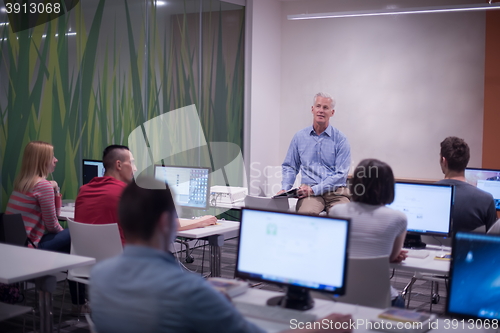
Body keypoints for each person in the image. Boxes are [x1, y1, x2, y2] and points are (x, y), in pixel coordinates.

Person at [90, 177, 353, 333]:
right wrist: (322, 327)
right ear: (164, 222)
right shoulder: (189, 291)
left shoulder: (99, 276)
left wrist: (210, 303)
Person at [75, 145, 216, 246]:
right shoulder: (126, 195)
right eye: (132, 163)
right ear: (119, 165)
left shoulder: (84, 190)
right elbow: (169, 225)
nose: (135, 168)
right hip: (125, 263)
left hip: (87, 264)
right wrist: (202, 221)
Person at [6, 141, 86, 313]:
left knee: (72, 247)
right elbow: (52, 225)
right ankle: (79, 303)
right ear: (41, 160)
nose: (56, 160)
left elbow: (53, 218)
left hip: (15, 248)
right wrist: (66, 234)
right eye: (52, 157)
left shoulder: (22, 183)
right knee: (77, 234)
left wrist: (55, 189)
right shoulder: (42, 185)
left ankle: (78, 303)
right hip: (31, 248)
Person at [329, 159, 408, 307]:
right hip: (381, 300)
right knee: (399, 301)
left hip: (339, 296)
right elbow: (391, 257)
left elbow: (336, 252)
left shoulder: (336, 211)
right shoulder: (398, 218)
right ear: (388, 187)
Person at [278, 92, 351, 214]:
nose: (321, 110)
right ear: (312, 109)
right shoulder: (299, 137)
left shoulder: (341, 139)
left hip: (335, 193)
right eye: (318, 106)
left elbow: (341, 174)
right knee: (306, 216)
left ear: (332, 112)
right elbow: (290, 166)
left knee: (345, 216)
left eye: (325, 107)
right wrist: (285, 189)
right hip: (309, 195)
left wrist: (314, 189)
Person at [436, 137, 496, 232]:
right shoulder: (486, 200)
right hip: (471, 247)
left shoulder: (426, 195)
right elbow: (493, 242)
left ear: (444, 161)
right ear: (466, 161)